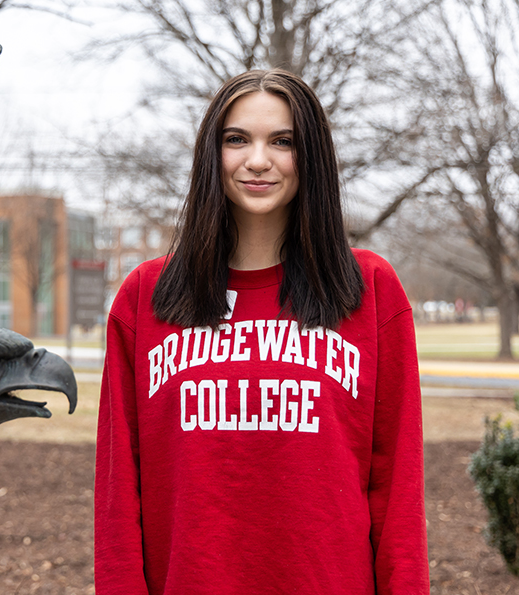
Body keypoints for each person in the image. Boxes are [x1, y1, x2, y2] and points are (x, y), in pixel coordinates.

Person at [94, 69, 429, 594]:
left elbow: (399, 491)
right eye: (236, 139)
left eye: (282, 141)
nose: (257, 160)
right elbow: (119, 496)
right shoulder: (146, 297)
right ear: (213, 154)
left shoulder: (370, 290)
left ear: (310, 157)